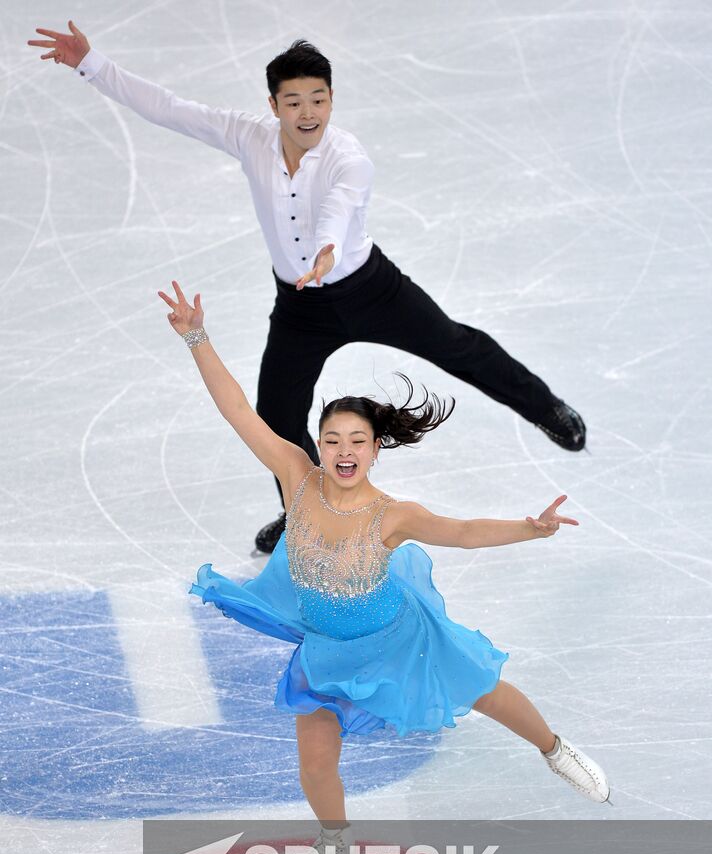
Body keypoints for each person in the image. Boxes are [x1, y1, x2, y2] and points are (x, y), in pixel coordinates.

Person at [28, 22, 588, 557]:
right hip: (300, 307)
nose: (308, 113)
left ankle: (546, 408)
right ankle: (303, 513)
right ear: (273, 106)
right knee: (276, 414)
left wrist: (325, 250)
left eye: (318, 100)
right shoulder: (248, 137)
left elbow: (340, 207)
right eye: (294, 102)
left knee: (459, 347)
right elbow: (172, 110)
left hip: (370, 288)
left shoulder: (349, 158)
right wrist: (92, 65)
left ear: (331, 100)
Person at [156, 278, 609, 854]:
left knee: (484, 689)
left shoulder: (394, 514)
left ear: (375, 451)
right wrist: (197, 339)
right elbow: (239, 408)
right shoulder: (296, 477)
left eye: (357, 442)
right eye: (332, 440)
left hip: (399, 640)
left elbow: (467, 531)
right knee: (314, 768)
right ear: (318, 444)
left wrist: (531, 529)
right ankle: (335, 844)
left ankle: (555, 748)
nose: (343, 451)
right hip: (328, 650)